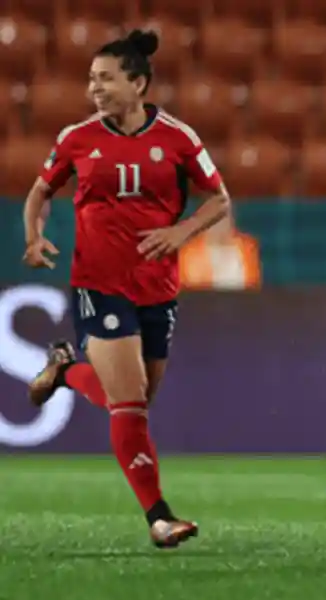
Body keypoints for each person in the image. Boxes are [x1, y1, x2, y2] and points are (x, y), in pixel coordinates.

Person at [22, 29, 232, 548]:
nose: (94, 88)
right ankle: (159, 518)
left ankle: (68, 371)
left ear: (138, 83)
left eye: (106, 78)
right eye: (91, 79)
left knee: (138, 398)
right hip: (99, 282)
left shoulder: (179, 138)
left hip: (157, 287)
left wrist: (180, 233)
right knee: (131, 404)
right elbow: (40, 191)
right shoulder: (77, 138)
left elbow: (218, 199)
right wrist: (33, 234)